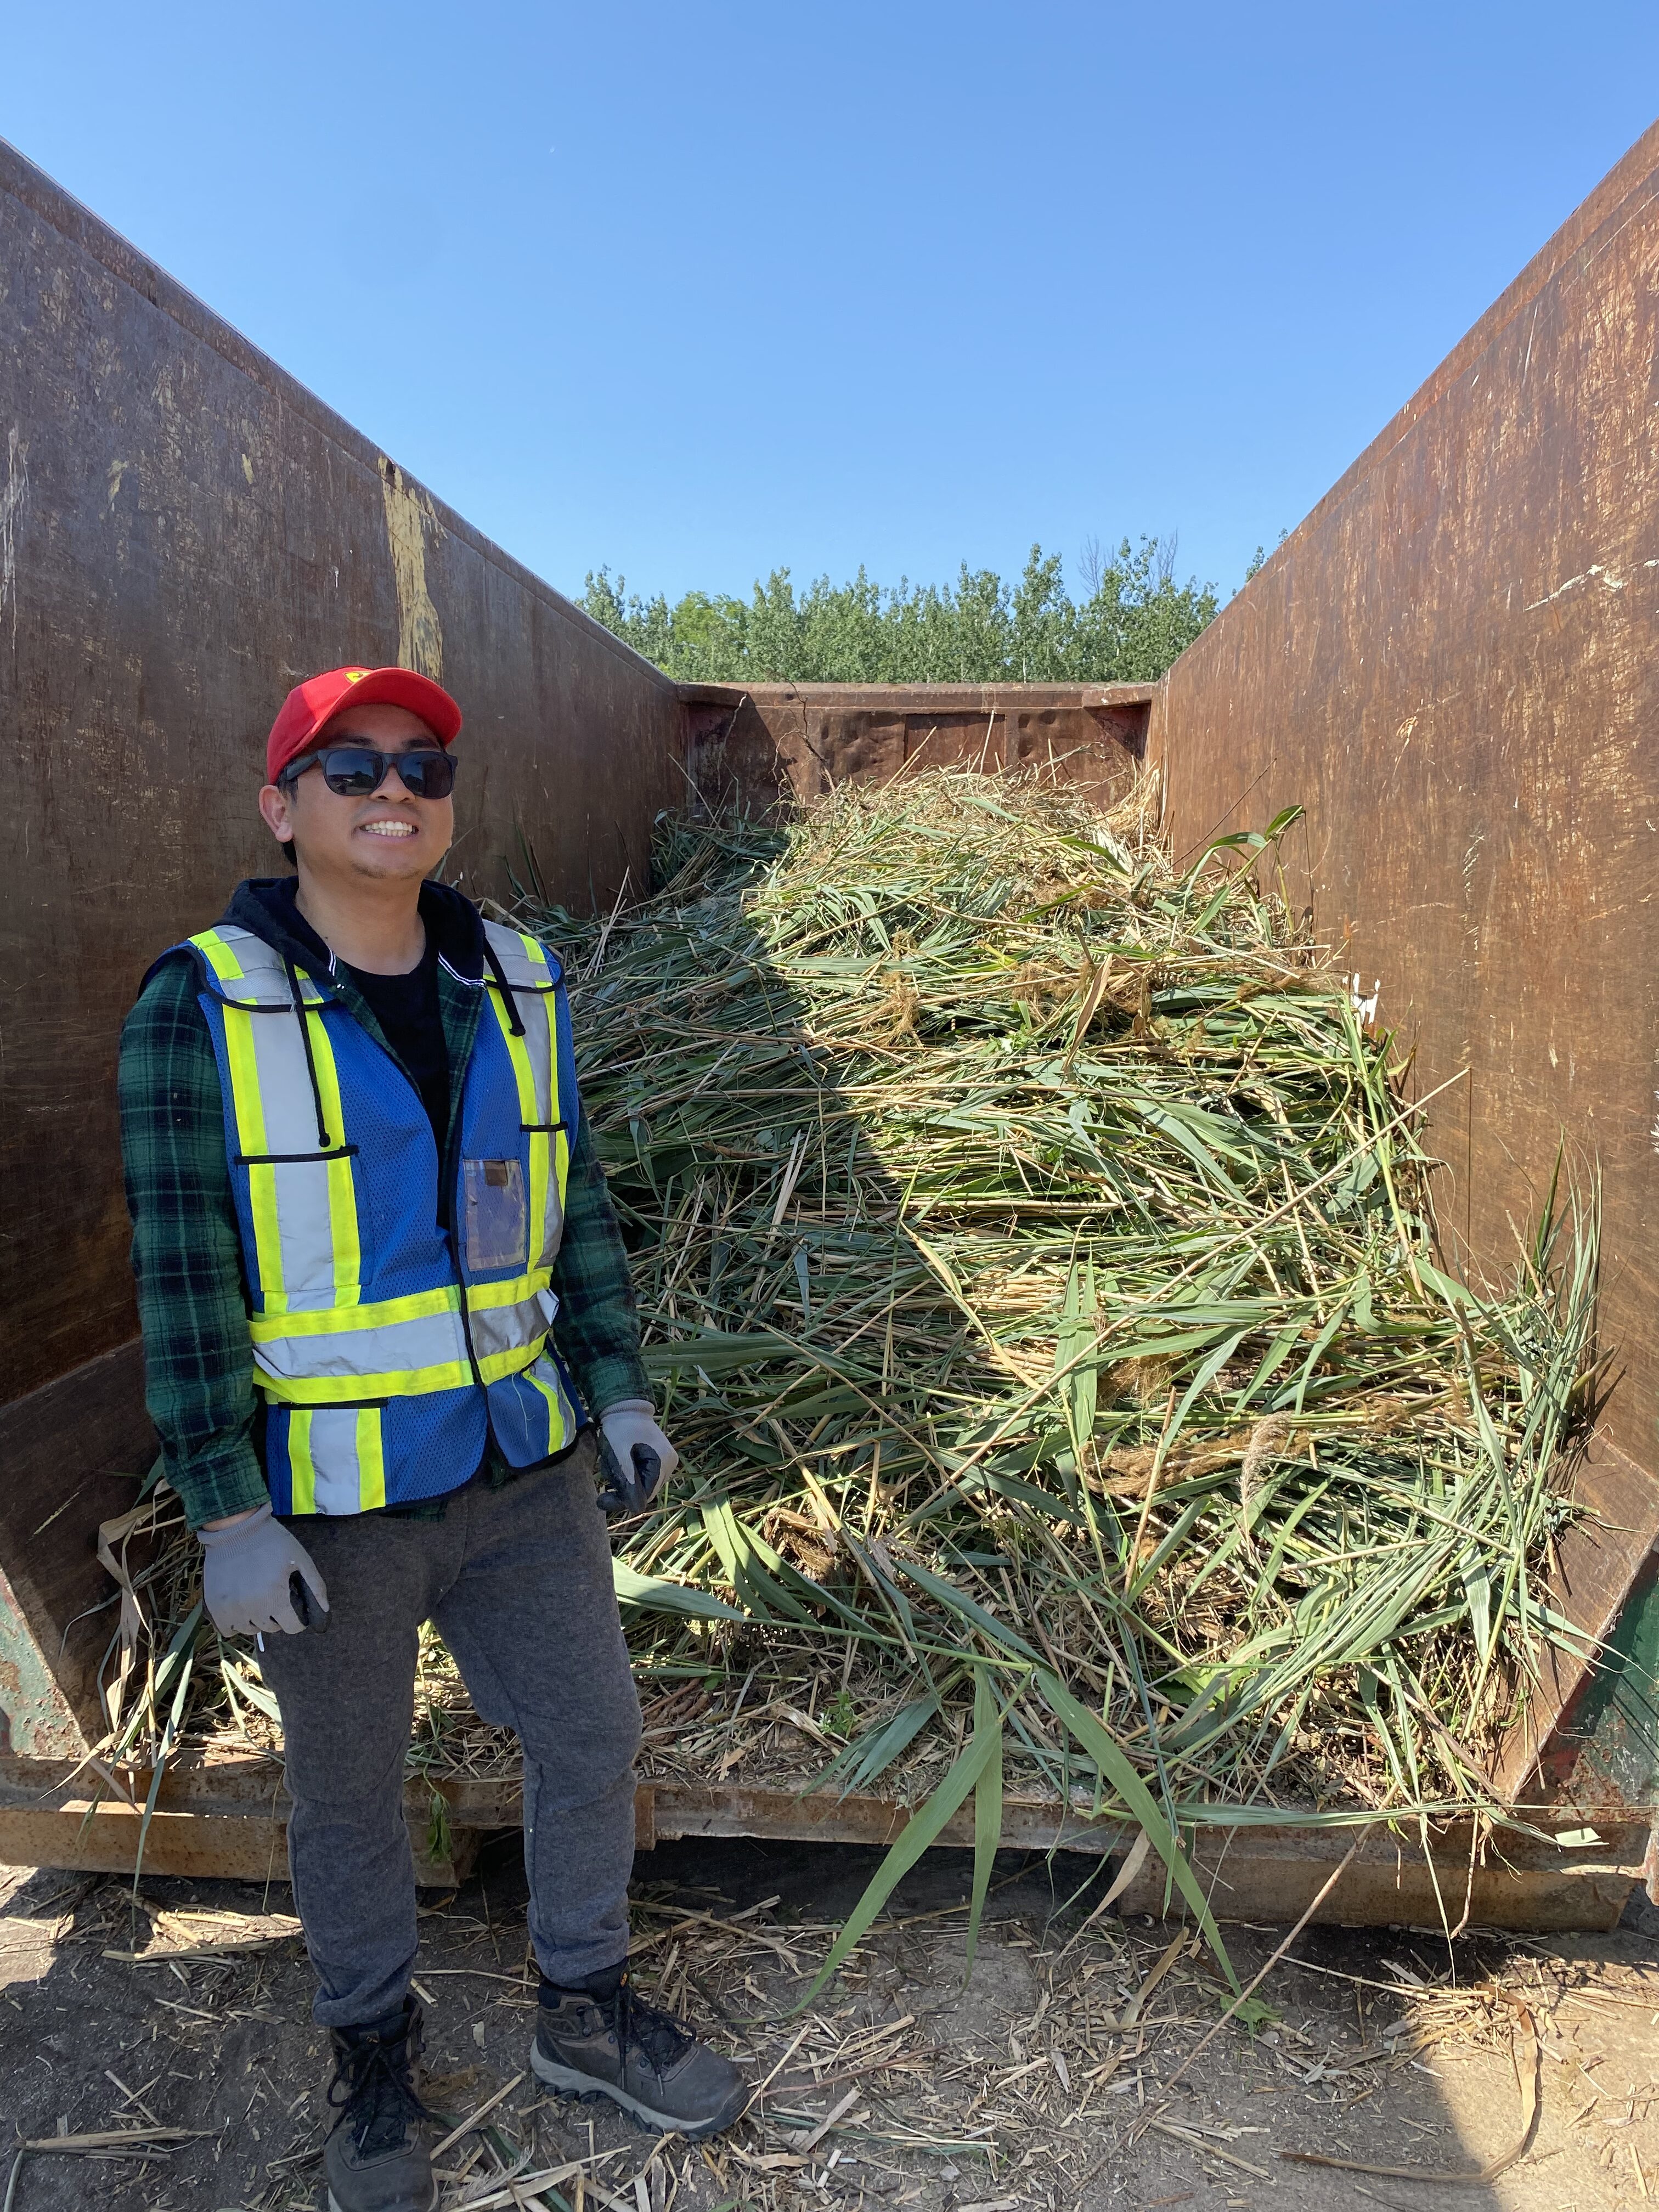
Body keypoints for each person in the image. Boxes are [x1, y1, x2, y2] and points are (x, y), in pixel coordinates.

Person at [119, 665, 747, 2212]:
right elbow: (183, 1274)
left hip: (524, 1473)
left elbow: (570, 1204)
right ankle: (374, 2055)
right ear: (283, 807)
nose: (393, 788)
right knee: (346, 1791)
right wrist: (224, 1510)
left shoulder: (519, 978)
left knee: (591, 1736)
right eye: (347, 767)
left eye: (423, 763)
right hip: (330, 1502)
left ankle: (583, 2009)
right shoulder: (200, 1000)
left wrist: (617, 1385)